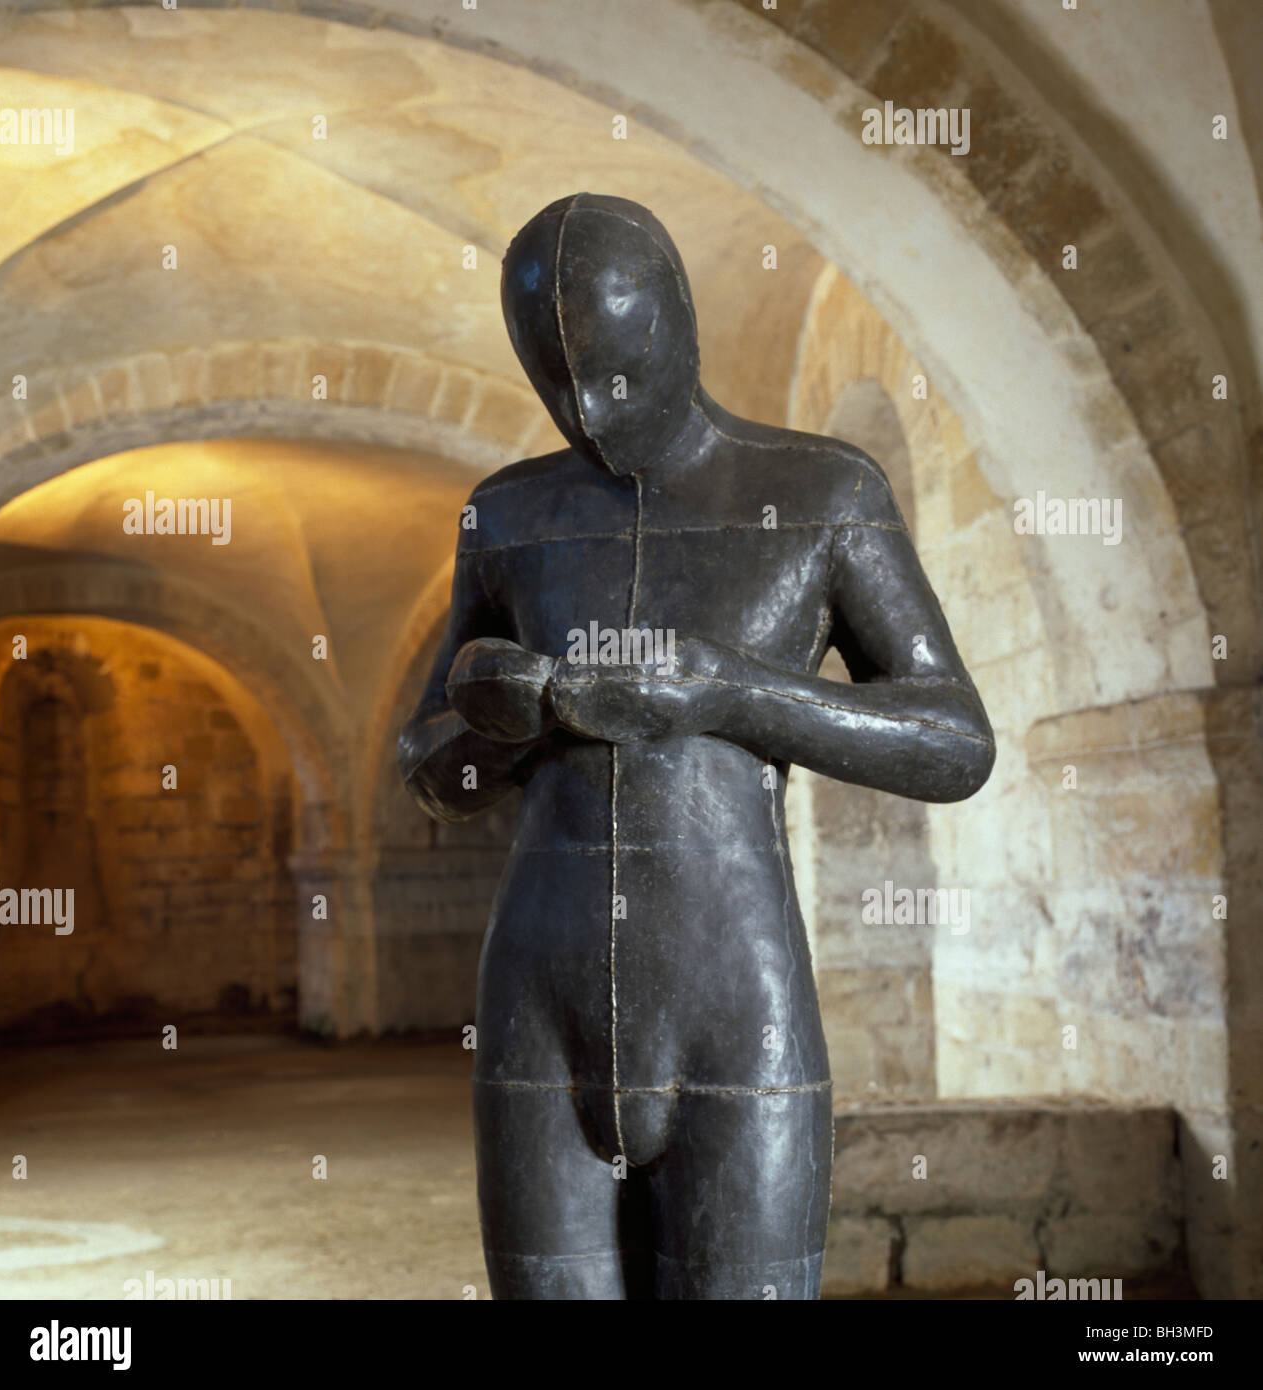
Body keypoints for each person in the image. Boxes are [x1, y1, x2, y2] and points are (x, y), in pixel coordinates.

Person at [400, 193, 995, 1299]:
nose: (590, 408)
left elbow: (952, 739)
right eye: (556, 381)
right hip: (540, 991)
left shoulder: (820, 491)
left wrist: (734, 692)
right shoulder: (508, 515)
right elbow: (430, 768)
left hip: (736, 1001)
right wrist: (497, 721)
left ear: (678, 322)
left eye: (616, 373)